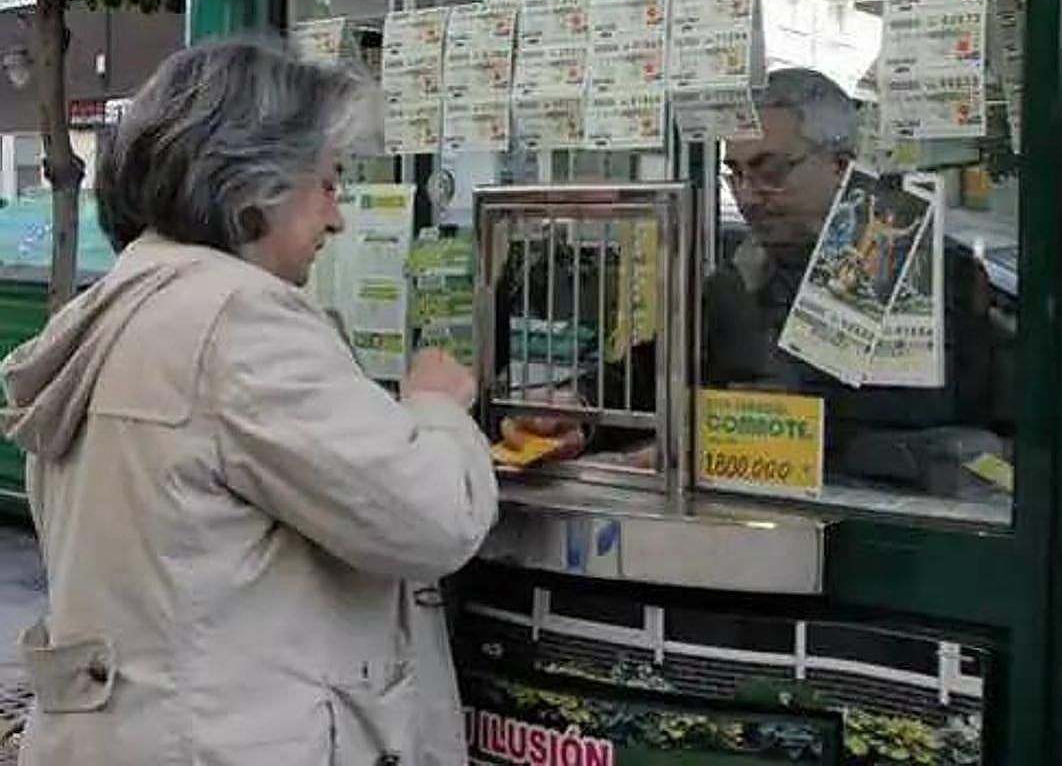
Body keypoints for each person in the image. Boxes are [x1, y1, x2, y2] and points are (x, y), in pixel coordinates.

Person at [0, 38, 497, 765]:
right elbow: (431, 518)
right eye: (327, 183)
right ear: (253, 188)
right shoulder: (238, 323)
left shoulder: (121, 309)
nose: (338, 219)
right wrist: (435, 408)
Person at [503, 67, 1005, 492]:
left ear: (840, 165)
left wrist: (711, 440)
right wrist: (582, 405)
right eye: (735, 174)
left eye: (771, 171)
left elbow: (898, 414)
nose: (747, 194)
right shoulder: (745, 270)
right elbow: (669, 366)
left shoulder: (923, 267)